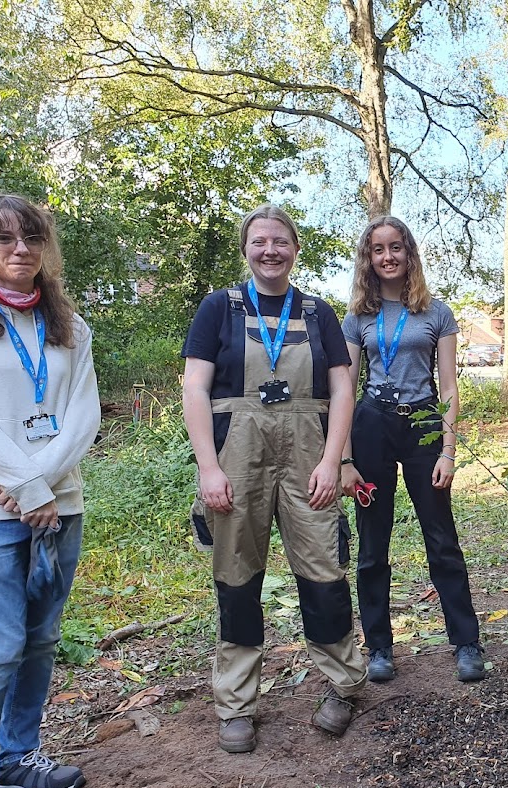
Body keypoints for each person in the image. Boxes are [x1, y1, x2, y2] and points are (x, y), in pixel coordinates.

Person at [182, 204, 366, 754]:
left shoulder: (317, 312)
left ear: (295, 249)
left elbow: (342, 389)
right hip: (236, 458)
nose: (270, 251)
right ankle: (236, 704)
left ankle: (343, 684)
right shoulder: (218, 308)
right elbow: (195, 388)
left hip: (308, 455)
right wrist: (208, 468)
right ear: (246, 248)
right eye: (260, 241)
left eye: (280, 241)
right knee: (237, 578)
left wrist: (332, 461)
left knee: (324, 571)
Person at [0, 192, 100, 788]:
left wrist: (39, 483)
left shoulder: (70, 326)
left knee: (41, 640)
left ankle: (18, 759)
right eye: (4, 238)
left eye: (32, 237)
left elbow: (82, 415)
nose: (21, 249)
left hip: (58, 507)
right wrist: (24, 482)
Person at [341, 216, 484, 684]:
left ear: (409, 253)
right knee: (372, 543)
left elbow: (449, 387)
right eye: (378, 249)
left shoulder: (436, 312)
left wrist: (448, 451)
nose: (388, 257)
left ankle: (466, 642)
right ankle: (379, 647)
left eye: (396, 247)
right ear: (368, 258)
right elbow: (344, 390)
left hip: (423, 423)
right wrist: (344, 458)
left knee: (441, 538)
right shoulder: (357, 317)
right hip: (372, 425)